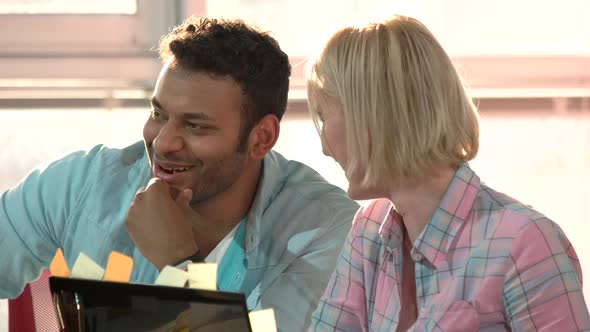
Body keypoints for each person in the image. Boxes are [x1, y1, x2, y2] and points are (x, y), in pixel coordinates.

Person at [0, 16, 359, 330]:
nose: (163, 142)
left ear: (260, 138)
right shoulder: (83, 185)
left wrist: (178, 264)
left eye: (195, 126)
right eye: (158, 114)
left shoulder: (326, 230)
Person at [305, 14, 590, 331]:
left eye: (324, 115)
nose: (324, 146)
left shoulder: (525, 243)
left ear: (372, 117)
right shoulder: (369, 229)